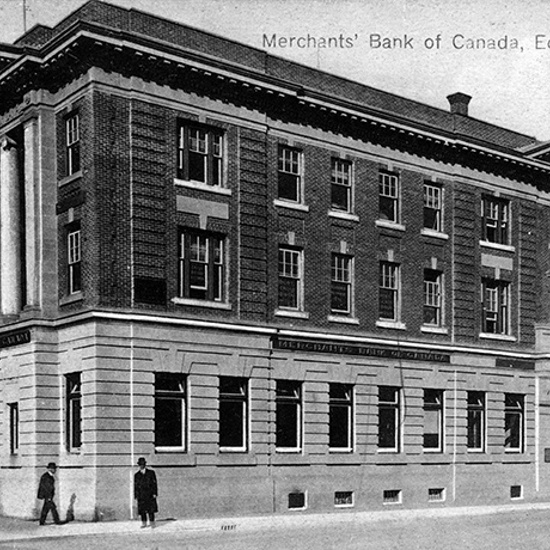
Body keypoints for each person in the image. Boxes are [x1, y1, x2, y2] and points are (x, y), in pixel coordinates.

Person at [134, 457, 158, 528]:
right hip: (141, 494)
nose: (141, 466)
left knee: (151, 510)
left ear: (145, 464)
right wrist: (136, 495)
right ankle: (144, 523)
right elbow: (135, 486)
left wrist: (155, 493)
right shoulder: (137, 475)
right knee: (142, 510)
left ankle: (152, 523)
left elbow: (154, 484)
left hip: (149, 494)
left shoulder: (151, 473)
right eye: (140, 464)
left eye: (143, 464)